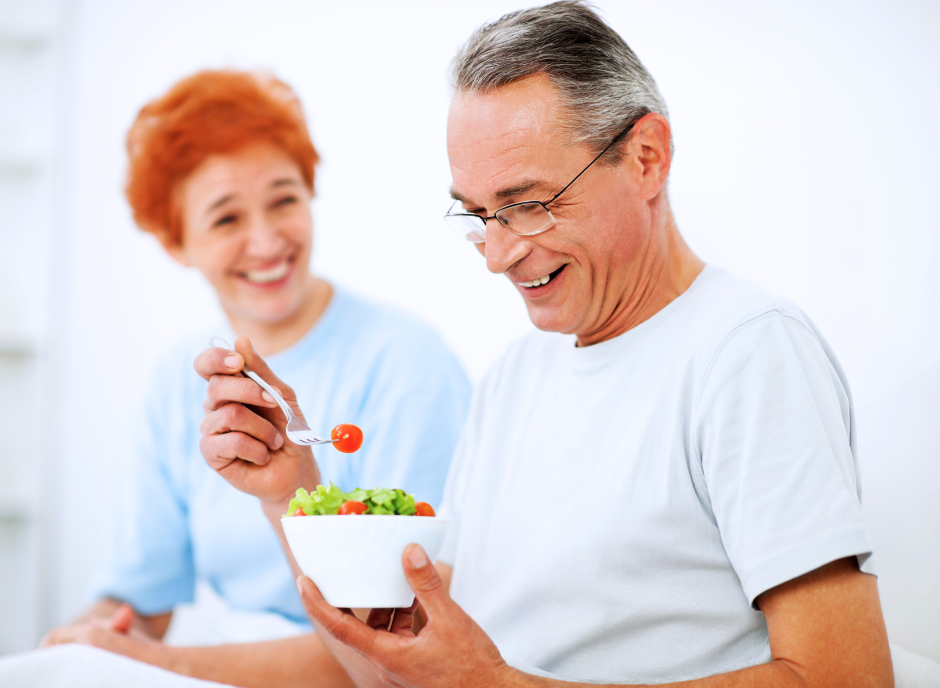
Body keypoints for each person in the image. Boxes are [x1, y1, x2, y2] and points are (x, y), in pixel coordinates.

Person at [195, 3, 894, 686]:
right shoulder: (512, 379)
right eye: (477, 214)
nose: (496, 254)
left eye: (526, 203)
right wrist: (290, 500)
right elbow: (388, 675)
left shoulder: (747, 353)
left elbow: (848, 676)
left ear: (647, 158)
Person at [40, 69, 471, 688]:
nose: (267, 241)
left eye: (283, 200)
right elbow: (139, 602)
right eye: (225, 219)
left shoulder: (408, 364)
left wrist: (164, 664)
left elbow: (400, 643)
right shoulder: (177, 382)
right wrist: (79, 644)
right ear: (175, 241)